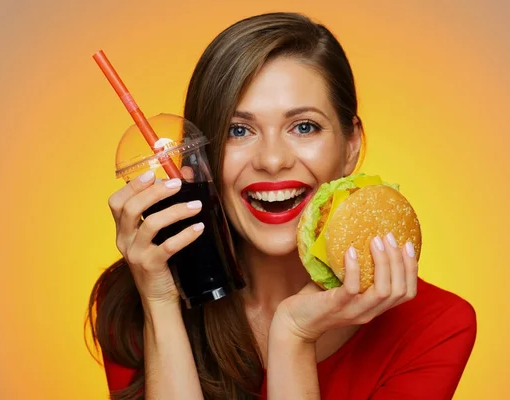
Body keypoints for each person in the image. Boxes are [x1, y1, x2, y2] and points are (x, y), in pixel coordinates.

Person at [86, 11, 477, 400]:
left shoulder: (436, 326)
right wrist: (159, 304)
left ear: (350, 144)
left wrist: (293, 334)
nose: (272, 161)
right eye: (238, 130)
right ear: (201, 155)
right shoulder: (132, 300)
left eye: (304, 126)